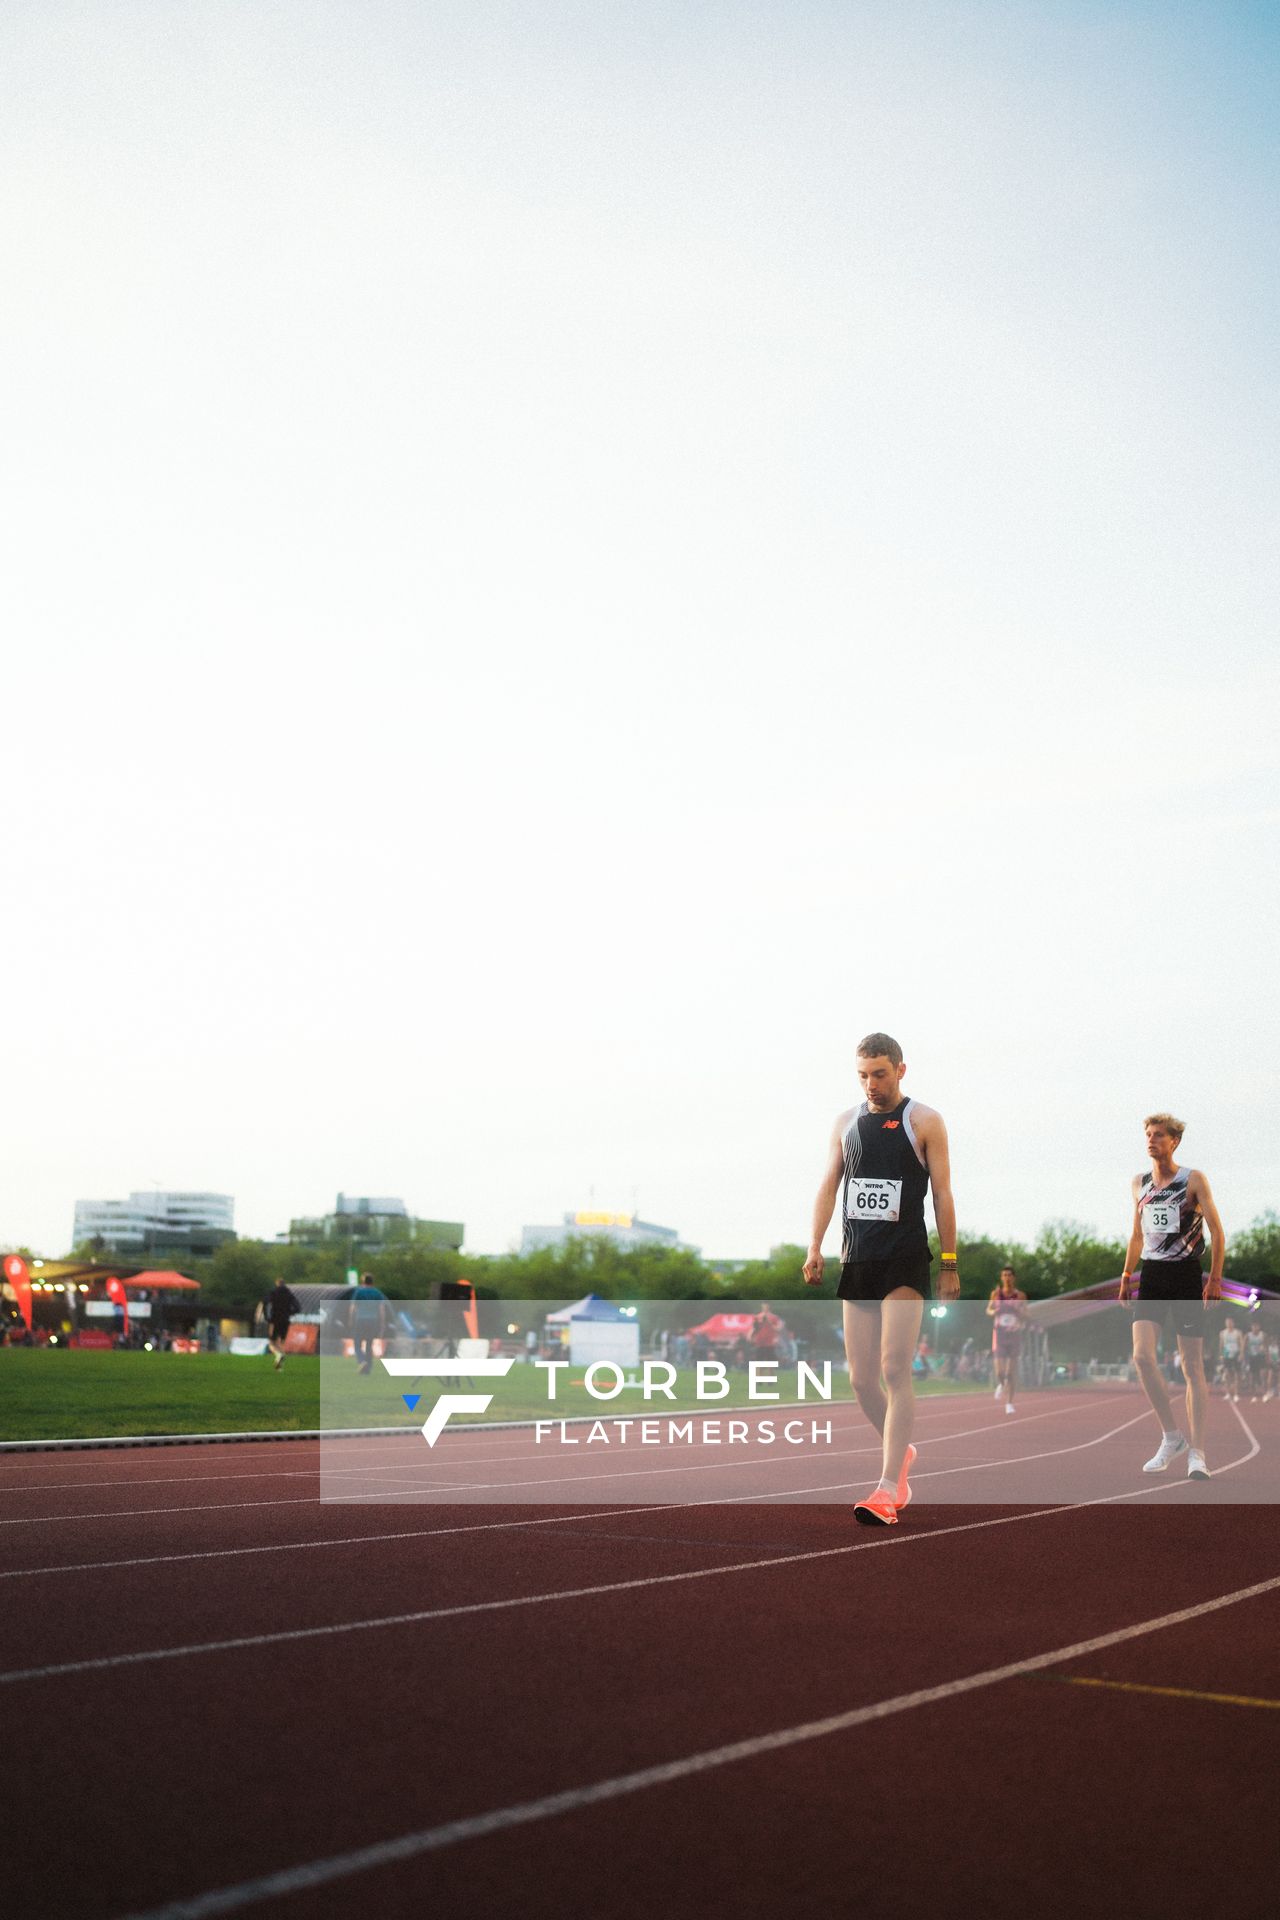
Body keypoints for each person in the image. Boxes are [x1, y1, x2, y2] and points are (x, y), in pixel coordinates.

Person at [803, 1031, 959, 1526]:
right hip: (857, 1259)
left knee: (895, 1369)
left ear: (900, 1070)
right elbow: (829, 1186)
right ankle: (903, 1453)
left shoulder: (924, 1121)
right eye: (863, 1076)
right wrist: (815, 1246)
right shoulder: (846, 1124)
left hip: (905, 1260)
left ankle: (889, 1487)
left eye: (880, 1074)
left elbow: (943, 1194)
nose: (871, 1084)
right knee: (860, 1380)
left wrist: (950, 1262)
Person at [1119, 1112, 1224, 1480]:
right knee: (1142, 1357)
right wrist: (1126, 1273)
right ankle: (1171, 1436)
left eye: (1159, 1135)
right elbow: (1135, 1235)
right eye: (1148, 1134)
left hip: (1185, 1275)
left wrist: (1215, 1278)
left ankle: (1198, 1453)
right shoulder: (1139, 1183)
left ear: (1174, 1141)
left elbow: (1216, 1230)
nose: (1151, 1140)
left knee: (1191, 1366)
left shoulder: (1192, 1180)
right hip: (1152, 1274)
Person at [986, 1265, 1028, 1415]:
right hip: (999, 1334)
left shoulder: (1020, 1296)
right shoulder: (996, 1294)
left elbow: (1026, 1314)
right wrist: (994, 1311)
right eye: (1004, 1275)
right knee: (999, 1371)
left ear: (1014, 1277)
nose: (1007, 1277)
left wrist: (1019, 1311)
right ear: (1001, 1277)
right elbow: (988, 1309)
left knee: (1011, 1372)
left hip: (1014, 1334)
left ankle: (1009, 1403)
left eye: (1009, 1275)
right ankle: (1000, 1383)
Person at [350, 1273, 388, 1375]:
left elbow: (353, 1307)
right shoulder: (377, 1293)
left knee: (357, 1343)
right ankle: (368, 1367)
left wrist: (350, 1319)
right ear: (372, 1281)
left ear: (363, 1281)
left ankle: (362, 1361)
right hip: (373, 1320)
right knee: (369, 1344)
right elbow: (382, 1309)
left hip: (360, 1320)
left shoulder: (359, 1292)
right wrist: (383, 1323)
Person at [260, 1278, 301, 1371]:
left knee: (272, 1342)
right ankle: (279, 1367)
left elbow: (265, 1303)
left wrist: (267, 1316)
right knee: (281, 1342)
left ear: (277, 1284)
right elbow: (298, 1307)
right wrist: (290, 1313)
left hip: (275, 1319)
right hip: (285, 1321)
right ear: (284, 1284)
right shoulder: (289, 1294)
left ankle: (278, 1355)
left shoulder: (273, 1292)